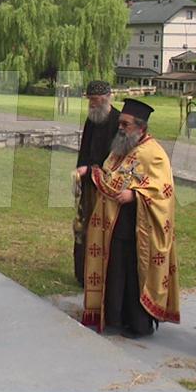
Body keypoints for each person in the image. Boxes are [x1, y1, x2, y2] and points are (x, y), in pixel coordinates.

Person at [81, 98, 180, 338]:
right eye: (120, 124)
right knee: (116, 270)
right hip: (115, 223)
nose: (121, 128)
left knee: (135, 273)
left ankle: (138, 323)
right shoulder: (121, 148)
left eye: (126, 125)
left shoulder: (154, 154)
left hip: (140, 227)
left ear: (141, 127)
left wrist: (135, 195)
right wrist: (94, 174)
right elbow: (110, 172)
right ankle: (116, 317)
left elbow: (162, 191)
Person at [72, 80, 120, 286]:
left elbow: (117, 158)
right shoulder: (91, 120)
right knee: (84, 226)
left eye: (96, 100)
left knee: (104, 230)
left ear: (108, 97)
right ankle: (83, 274)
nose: (92, 104)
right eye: (90, 100)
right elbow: (85, 151)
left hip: (108, 186)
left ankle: (104, 275)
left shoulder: (119, 122)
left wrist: (92, 170)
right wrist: (80, 175)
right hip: (89, 184)